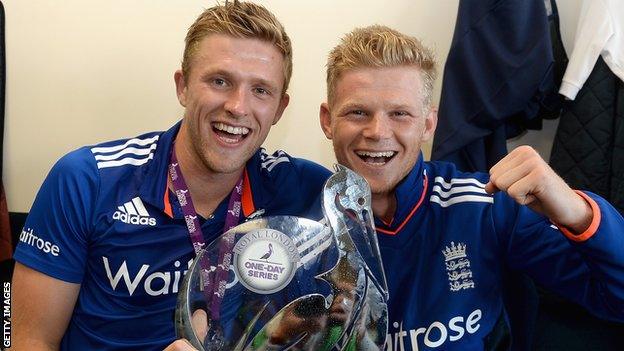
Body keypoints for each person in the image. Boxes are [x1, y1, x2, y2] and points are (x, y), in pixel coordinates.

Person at [10, 1, 330, 350]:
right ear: (182, 87)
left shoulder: (302, 188)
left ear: (280, 108)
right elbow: (29, 340)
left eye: (260, 90)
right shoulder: (87, 181)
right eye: (220, 81)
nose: (238, 107)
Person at [319, 25, 624, 350]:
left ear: (428, 124)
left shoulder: (485, 206)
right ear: (328, 120)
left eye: (400, 114)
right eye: (358, 112)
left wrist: (580, 214)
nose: (378, 131)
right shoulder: (304, 230)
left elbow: (615, 301)